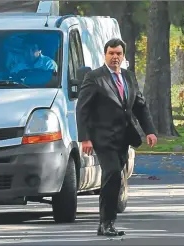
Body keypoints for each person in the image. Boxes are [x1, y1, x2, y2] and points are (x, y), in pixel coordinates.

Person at [76, 38, 157, 237]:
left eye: (118, 54)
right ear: (105, 55)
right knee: (111, 173)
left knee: (115, 180)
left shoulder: (129, 77)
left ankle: (107, 223)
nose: (115, 57)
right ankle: (106, 223)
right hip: (102, 138)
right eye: (111, 53)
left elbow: (140, 105)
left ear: (123, 56)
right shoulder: (94, 77)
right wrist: (85, 138)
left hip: (123, 138)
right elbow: (82, 109)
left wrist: (150, 131)